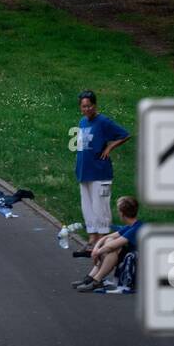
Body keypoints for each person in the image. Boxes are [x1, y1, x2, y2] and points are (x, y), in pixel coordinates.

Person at [73, 90, 131, 247]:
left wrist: (110, 147)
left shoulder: (103, 121)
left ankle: (103, 237)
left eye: (89, 106)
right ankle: (92, 235)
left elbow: (124, 134)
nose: (87, 109)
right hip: (84, 170)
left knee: (100, 206)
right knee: (87, 205)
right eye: (84, 107)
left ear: (95, 105)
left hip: (100, 171)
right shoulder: (82, 122)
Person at [73, 196, 142, 293]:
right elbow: (106, 238)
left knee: (112, 248)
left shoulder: (136, 228)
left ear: (121, 213)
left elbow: (112, 246)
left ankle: (96, 280)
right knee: (109, 241)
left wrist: (96, 253)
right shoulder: (132, 226)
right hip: (133, 256)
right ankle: (91, 278)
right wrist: (96, 249)